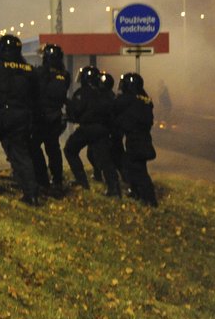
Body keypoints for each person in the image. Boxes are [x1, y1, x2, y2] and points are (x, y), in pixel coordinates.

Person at [0, 34, 41, 205]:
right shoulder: (29, 69)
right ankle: (31, 194)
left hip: (2, 115)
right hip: (23, 116)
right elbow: (37, 94)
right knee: (21, 154)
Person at [65, 66, 120, 196]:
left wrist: (69, 110)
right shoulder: (106, 93)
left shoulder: (82, 92)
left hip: (87, 129)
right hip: (103, 130)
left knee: (70, 150)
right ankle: (114, 189)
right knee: (105, 159)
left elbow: (76, 111)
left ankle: (82, 181)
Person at [113, 72, 158, 207]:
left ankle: (150, 200)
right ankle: (137, 192)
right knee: (132, 165)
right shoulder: (145, 98)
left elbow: (114, 107)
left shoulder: (128, 98)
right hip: (144, 137)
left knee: (138, 170)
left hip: (135, 139)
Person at [33, 43, 70, 193]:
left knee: (33, 147)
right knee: (54, 149)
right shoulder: (65, 75)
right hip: (56, 117)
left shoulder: (41, 72)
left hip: (41, 117)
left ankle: (42, 178)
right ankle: (57, 179)